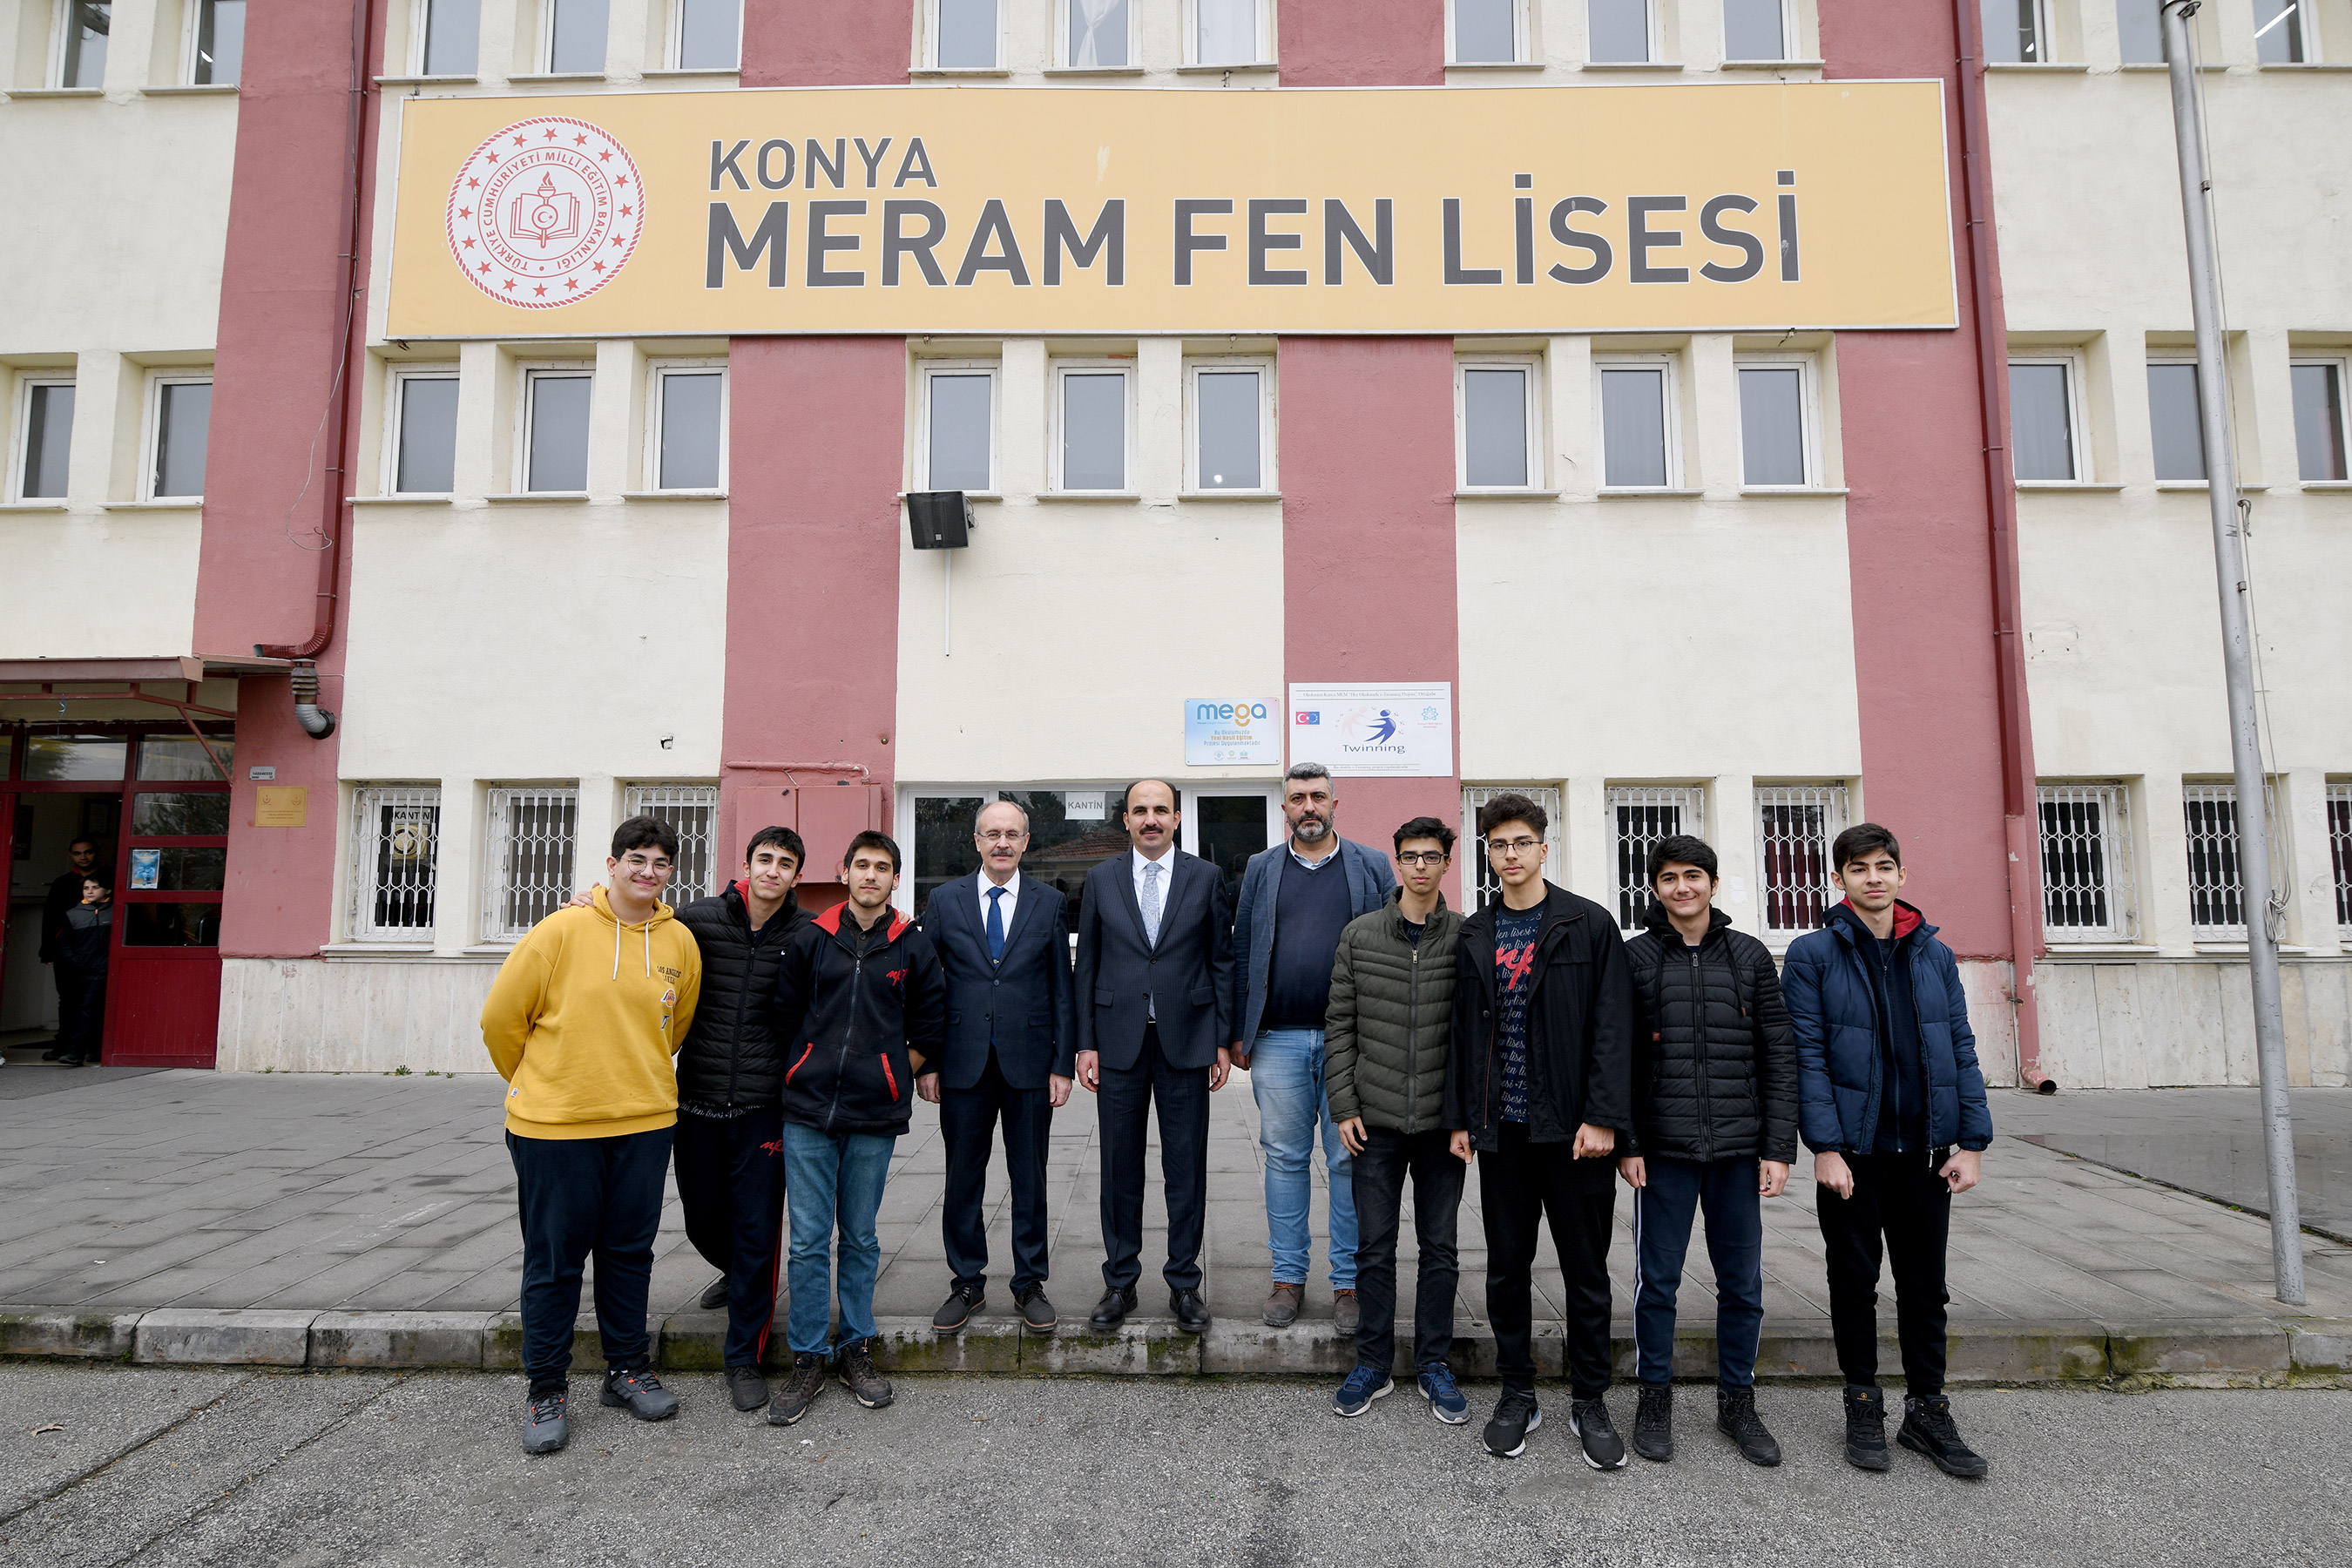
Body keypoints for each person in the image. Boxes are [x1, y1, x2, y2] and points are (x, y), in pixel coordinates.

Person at [481, 815, 703, 1456]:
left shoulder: (679, 943)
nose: (648, 872)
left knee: (630, 1253)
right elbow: (501, 1021)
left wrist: (635, 1079)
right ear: (612, 864)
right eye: (637, 859)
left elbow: (675, 1025)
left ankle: (626, 1370)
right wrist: (542, 1083)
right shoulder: (560, 929)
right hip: (555, 1127)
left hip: (644, 1123)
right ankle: (546, 1389)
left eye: (661, 864)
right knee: (554, 1262)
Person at [1783, 822, 1993, 1480]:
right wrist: (1824, 1147)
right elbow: (1807, 1056)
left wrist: (1973, 1141)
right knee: (1853, 1282)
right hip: (1853, 1155)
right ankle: (1863, 1404)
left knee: (1925, 1288)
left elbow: (1960, 1045)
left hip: (1925, 1153)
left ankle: (1927, 1412)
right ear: (1839, 879)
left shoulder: (1935, 954)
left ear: (1902, 875)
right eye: (1858, 867)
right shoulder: (1813, 953)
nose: (1873, 877)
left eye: (1883, 866)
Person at [1443, 791, 1634, 1466]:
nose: (1511, 855)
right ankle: (1517, 1392)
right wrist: (1464, 1118)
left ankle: (1590, 1399)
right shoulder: (1475, 933)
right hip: (1504, 1136)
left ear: (1543, 848)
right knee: (1506, 1269)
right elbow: (1464, 1035)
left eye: (1522, 842)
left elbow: (1615, 1028)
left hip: (1576, 1136)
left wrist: (1606, 1117)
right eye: (1499, 845)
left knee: (1586, 1273)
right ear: (1488, 853)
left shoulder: (1587, 924)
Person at [1618, 834, 1797, 1468]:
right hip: (1661, 1153)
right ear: (1656, 888)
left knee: (1742, 1285)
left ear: (1713, 884)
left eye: (1694, 875)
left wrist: (1778, 1147)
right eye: (1669, 878)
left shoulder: (1749, 956)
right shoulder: (1635, 957)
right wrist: (1629, 1143)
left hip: (1737, 1151)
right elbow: (1621, 1057)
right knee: (1656, 1284)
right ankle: (1655, 1397)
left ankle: (1737, 1402)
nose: (1682, 887)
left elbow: (1778, 1053)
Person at [767, 830, 945, 1426]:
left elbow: (931, 1025)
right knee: (809, 1239)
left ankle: (856, 1347)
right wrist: (805, 1067)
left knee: (862, 1237)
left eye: (883, 868)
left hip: (875, 1114)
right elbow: (784, 1016)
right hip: (808, 1111)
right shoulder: (810, 939)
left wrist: (892, 1074)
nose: (871, 876)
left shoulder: (912, 944)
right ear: (844, 872)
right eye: (862, 866)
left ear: (896, 879)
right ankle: (810, 1355)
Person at [1229, 761, 1396, 1332]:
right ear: (1285, 808)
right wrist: (1237, 1032)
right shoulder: (1261, 868)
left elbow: (1394, 950)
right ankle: (1288, 1279)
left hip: (1354, 1044)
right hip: (1276, 1041)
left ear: (1334, 803)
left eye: (1317, 796)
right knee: (1283, 1159)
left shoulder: (1372, 865)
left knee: (1350, 1160)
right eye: (1297, 797)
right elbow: (1244, 946)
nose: (1308, 806)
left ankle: (1349, 1284)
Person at [1073, 779, 1235, 1334]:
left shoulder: (1206, 877)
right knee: (1119, 1168)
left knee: (1184, 1168)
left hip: (1186, 1040)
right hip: (1117, 1042)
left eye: (1160, 810)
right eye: (1139, 810)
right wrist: (1085, 1042)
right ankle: (1119, 1282)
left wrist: (1220, 1038)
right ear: (1125, 820)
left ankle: (1184, 1283)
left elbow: (1221, 960)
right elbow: (1086, 965)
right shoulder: (1100, 878)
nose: (1150, 819)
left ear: (1177, 819)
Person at [1324, 817, 1469, 1423]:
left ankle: (1435, 1364)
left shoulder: (1468, 938)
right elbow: (1340, 1027)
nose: (1419, 867)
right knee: (1373, 1248)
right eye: (1410, 856)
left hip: (1442, 1124)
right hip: (1375, 1122)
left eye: (1431, 857)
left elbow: (1478, 1035)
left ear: (1446, 864)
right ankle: (1374, 1363)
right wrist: (1344, 1106)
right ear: (1397, 862)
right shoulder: (1359, 937)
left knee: (1440, 1247)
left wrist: (1468, 1118)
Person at [916, 800, 1077, 1335]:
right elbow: (927, 986)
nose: (1002, 843)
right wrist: (927, 1060)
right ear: (977, 841)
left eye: (1012, 834)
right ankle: (966, 1282)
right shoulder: (944, 900)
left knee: (1029, 1176)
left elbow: (1062, 987)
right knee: (963, 1176)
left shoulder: (1050, 902)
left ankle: (1029, 1281)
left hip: (1030, 1063)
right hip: (961, 1062)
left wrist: (1063, 1064)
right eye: (992, 834)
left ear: (1026, 841)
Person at [668, 825, 811, 1412]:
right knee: (703, 1218)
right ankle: (734, 1269)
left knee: (758, 1232)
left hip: (763, 1109)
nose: (773, 870)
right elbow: (636, 926)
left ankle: (743, 1359)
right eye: (765, 859)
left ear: (798, 875)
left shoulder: (806, 935)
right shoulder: (696, 921)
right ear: (746, 864)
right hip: (696, 1100)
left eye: (785, 863)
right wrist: (585, 903)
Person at [38, 838, 105, 1063]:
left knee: (96, 1001)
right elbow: (50, 919)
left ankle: (95, 1047)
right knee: (67, 999)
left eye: (88, 852)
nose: (83, 857)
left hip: (99, 955)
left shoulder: (108, 878)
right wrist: (47, 950)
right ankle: (64, 1045)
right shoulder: (63, 883)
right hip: (67, 951)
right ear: (71, 855)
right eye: (77, 853)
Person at [50, 871, 113, 1069]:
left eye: (95, 887)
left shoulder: (115, 911)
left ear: (107, 890)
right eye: (86, 888)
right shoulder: (73, 914)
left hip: (103, 969)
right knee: (82, 1009)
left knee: (88, 1008)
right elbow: (64, 943)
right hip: (80, 970)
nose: (90, 891)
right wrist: (75, 962)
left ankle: (77, 1052)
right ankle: (93, 1050)